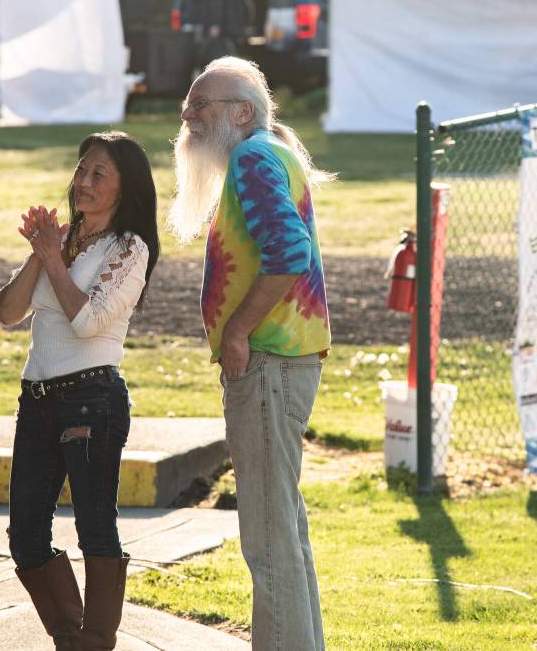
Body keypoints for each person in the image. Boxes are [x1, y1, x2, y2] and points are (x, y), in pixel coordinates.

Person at [169, 56, 331, 649]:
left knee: (267, 540)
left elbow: (288, 254)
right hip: (283, 362)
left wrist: (236, 332)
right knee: (282, 531)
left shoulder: (253, 157)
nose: (187, 116)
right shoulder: (270, 152)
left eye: (199, 105)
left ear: (242, 112)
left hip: (267, 362)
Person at [0, 131, 159, 650]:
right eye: (80, 170)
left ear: (123, 188)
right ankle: (72, 640)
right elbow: (7, 312)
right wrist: (42, 252)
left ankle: (94, 642)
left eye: (98, 174)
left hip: (92, 397)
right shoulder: (63, 241)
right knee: (25, 535)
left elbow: (89, 320)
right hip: (37, 398)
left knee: (94, 529)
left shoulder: (129, 247)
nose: (83, 182)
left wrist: (52, 259)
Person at [201, 0, 252, 65]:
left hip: (222, 32)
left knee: (221, 62)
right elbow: (246, 5)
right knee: (234, 59)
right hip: (235, 29)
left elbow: (217, 5)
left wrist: (215, 24)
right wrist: (246, 24)